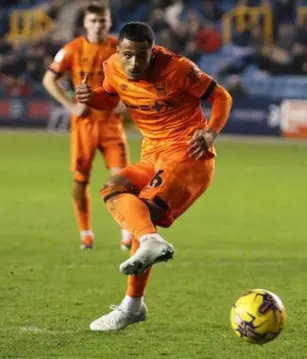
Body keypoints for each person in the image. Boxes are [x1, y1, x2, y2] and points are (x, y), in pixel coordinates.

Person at [75, 22, 233, 331]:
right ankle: (135, 298)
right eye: (128, 55)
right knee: (113, 189)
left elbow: (222, 97)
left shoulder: (179, 68)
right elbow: (110, 98)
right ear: (118, 51)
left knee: (144, 212)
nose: (134, 63)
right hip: (152, 154)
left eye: (142, 55)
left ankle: (133, 300)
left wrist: (211, 132)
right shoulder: (112, 68)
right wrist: (89, 97)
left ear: (153, 50)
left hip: (189, 155)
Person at [42, 3, 131, 250]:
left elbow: (138, 80)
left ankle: (126, 233)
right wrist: (70, 106)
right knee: (81, 181)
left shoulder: (120, 49)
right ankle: (86, 233)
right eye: (93, 21)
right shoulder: (73, 49)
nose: (98, 25)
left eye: (102, 21)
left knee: (122, 181)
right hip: (84, 125)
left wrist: (128, 103)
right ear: (85, 23)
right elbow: (49, 78)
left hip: (112, 124)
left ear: (109, 22)